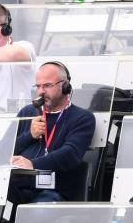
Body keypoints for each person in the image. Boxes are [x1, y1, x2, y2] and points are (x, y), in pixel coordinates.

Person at [8, 61, 96, 204]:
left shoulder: (82, 118)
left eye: (47, 85)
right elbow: (3, 149)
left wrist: (32, 164)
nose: (41, 91)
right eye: (38, 86)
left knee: (38, 211)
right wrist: (29, 135)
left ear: (65, 86)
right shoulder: (28, 112)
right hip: (17, 186)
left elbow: (71, 153)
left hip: (53, 191)